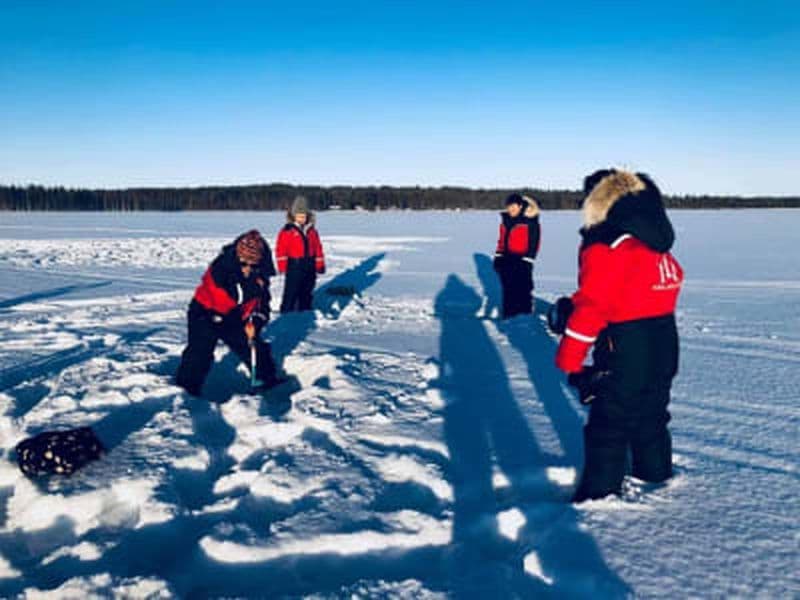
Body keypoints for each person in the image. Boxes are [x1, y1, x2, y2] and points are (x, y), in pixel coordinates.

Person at [553, 170, 684, 502]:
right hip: (664, 341)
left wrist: (570, 359)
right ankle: (656, 480)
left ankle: (599, 500)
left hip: (626, 343)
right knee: (652, 416)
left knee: (609, 424)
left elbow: (593, 306)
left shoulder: (606, 244)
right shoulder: (656, 242)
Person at [175, 230, 283, 397]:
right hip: (205, 312)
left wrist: (256, 321)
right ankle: (186, 390)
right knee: (199, 353)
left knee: (255, 347)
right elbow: (233, 297)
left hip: (233, 316)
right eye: (243, 264)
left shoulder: (259, 275)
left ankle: (267, 382)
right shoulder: (221, 269)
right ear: (236, 259)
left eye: (253, 265)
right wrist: (252, 288)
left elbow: (262, 304)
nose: (248, 269)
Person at [493, 193, 541, 318]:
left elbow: (535, 241)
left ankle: (525, 315)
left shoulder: (530, 220)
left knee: (523, 289)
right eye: (509, 206)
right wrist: (498, 255)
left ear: (520, 206)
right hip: (506, 258)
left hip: (522, 259)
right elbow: (502, 239)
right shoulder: (505, 220)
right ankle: (509, 315)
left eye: (513, 206)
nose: (510, 209)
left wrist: (529, 258)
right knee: (508, 288)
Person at [275, 195, 326, 312]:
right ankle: (286, 311)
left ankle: (305, 310)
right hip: (294, 265)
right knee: (291, 290)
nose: (301, 219)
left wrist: (319, 263)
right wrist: (282, 265)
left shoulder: (312, 230)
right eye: (299, 216)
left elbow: (318, 248)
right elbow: (281, 249)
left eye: (303, 216)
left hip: (310, 264)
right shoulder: (287, 230)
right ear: (293, 216)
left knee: (307, 289)